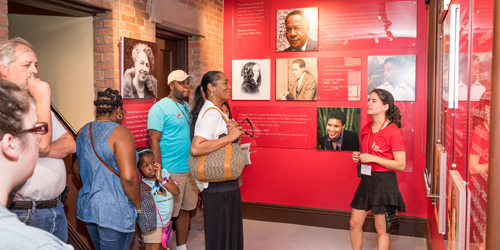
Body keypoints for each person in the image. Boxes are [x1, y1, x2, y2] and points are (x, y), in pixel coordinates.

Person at [1, 37, 76, 242]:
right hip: (24, 212)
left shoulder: (33, 101)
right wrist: (44, 100)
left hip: (55, 207)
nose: (34, 70)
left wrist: (33, 145)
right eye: (26, 65)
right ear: (3, 69)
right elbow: (43, 143)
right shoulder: (7, 105)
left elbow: (69, 143)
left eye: (35, 65)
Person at [72, 88, 141, 250]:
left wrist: (95, 185)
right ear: (117, 110)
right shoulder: (121, 133)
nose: (123, 114)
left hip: (90, 207)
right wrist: (138, 205)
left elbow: (76, 169)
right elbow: (129, 178)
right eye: (122, 110)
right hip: (115, 210)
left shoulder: (82, 131)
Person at [190, 71, 245, 250]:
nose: (229, 87)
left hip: (224, 187)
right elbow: (196, 148)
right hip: (219, 189)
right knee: (222, 238)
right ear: (211, 88)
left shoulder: (217, 112)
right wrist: (229, 138)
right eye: (225, 83)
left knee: (225, 237)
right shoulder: (212, 113)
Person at [350, 89, 406, 250]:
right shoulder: (366, 128)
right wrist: (358, 156)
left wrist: (374, 158)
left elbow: (400, 164)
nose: (368, 103)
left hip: (385, 183)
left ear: (385, 106)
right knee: (354, 223)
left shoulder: (394, 132)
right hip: (367, 180)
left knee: (382, 228)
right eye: (369, 100)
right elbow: (367, 152)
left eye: (374, 101)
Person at [148, 69, 197, 250]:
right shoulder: (159, 108)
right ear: (171, 85)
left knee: (185, 210)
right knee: (167, 214)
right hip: (170, 170)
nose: (186, 86)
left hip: (188, 168)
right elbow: (154, 140)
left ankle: (181, 247)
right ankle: (164, 247)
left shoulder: (187, 106)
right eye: (181, 83)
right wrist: (159, 171)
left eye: (187, 83)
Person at [136, 147, 180, 250]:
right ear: (138, 169)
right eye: (145, 165)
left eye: (152, 162)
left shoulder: (164, 174)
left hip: (166, 223)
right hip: (152, 225)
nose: (151, 167)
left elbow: (176, 191)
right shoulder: (142, 185)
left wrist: (161, 179)